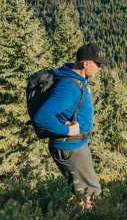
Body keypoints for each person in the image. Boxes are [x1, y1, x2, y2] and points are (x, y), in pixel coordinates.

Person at [35, 43, 110, 206]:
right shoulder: (68, 87)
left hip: (77, 145)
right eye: (98, 64)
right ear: (86, 63)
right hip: (71, 149)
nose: (100, 68)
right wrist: (67, 130)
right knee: (91, 196)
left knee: (86, 192)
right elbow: (41, 116)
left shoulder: (78, 78)